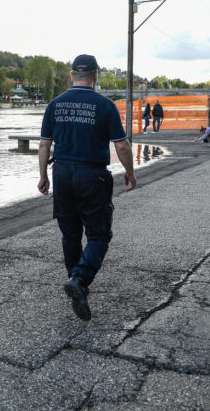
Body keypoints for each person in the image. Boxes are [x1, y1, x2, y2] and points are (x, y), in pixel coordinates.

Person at [38, 54, 137, 321]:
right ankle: (80, 280)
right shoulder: (105, 106)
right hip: (93, 176)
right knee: (99, 235)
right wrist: (130, 172)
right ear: (95, 75)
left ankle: (75, 279)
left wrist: (42, 176)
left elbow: (44, 145)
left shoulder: (54, 105)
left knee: (70, 235)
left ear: (72, 75)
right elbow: (122, 146)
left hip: (62, 174)